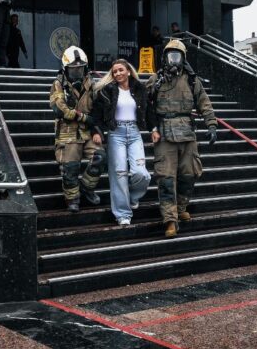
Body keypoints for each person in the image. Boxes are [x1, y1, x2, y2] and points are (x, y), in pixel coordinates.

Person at [147, 39, 217, 237]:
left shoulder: (192, 80)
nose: (174, 60)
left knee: (189, 173)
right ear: (165, 57)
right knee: (166, 178)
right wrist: (152, 127)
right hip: (164, 134)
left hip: (187, 132)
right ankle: (170, 219)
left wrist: (211, 124)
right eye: (171, 56)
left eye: (177, 56)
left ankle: (180, 208)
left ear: (184, 58)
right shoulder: (155, 79)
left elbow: (204, 102)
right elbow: (145, 106)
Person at [91, 59, 152, 226]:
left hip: (134, 133)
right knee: (119, 174)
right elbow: (96, 112)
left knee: (142, 174)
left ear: (129, 71)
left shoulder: (139, 88)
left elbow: (148, 110)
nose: (117, 73)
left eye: (120, 70)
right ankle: (123, 214)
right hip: (115, 133)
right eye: (114, 71)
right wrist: (96, 132)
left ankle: (132, 197)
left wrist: (154, 129)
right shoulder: (107, 90)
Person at [50, 46, 106, 213]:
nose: (77, 73)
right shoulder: (58, 84)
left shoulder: (91, 83)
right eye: (73, 70)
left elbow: (97, 107)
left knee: (100, 157)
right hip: (68, 132)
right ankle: (72, 198)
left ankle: (86, 188)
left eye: (80, 69)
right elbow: (59, 109)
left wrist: (96, 129)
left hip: (87, 131)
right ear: (65, 69)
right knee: (70, 168)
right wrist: (82, 117)